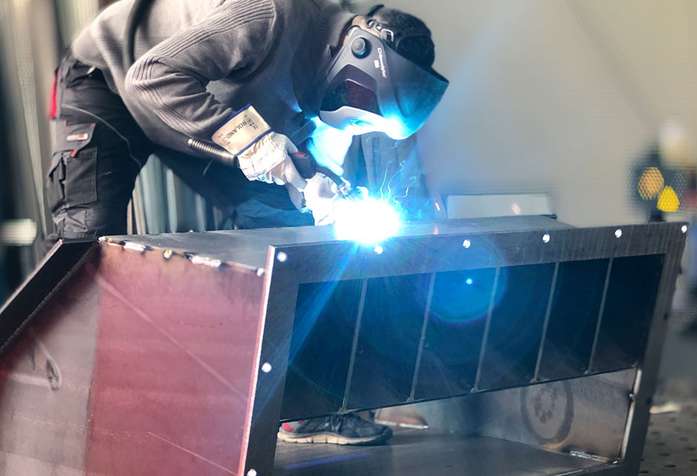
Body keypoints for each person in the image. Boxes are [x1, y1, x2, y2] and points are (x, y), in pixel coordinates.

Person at [47, 0, 448, 445]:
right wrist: (256, 145)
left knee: (293, 233)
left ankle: (306, 408)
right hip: (111, 81)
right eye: (360, 99)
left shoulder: (320, 86)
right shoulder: (270, 14)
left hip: (207, 111)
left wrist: (314, 185)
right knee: (85, 244)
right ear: (356, 48)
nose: (355, 114)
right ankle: (61, 410)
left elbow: (286, 148)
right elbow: (150, 77)